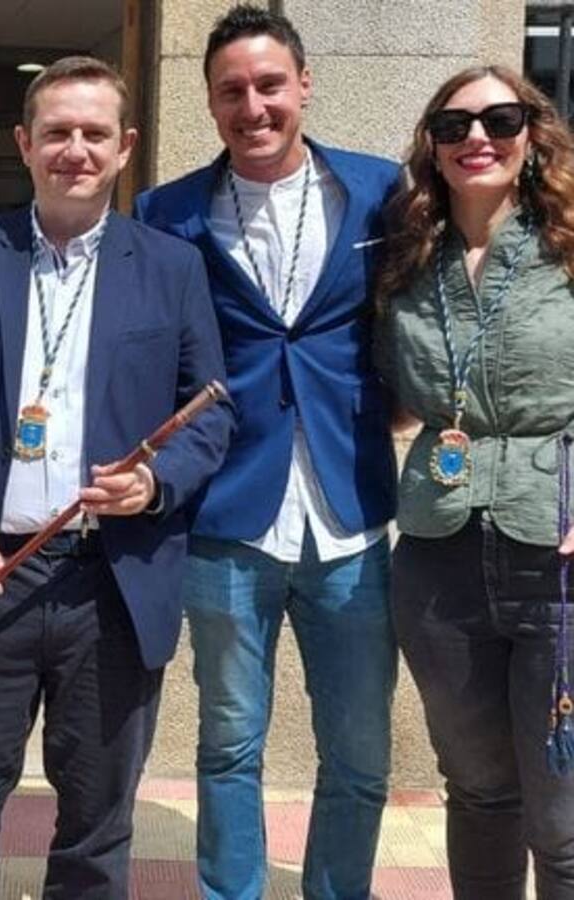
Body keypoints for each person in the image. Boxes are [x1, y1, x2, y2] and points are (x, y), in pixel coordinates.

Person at [0, 56, 232, 898]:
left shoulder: (172, 267)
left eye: (94, 133)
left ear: (125, 147)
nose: (75, 150)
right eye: (57, 132)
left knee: (97, 832)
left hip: (111, 585)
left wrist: (155, 483)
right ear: (24, 143)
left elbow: (211, 411)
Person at [134, 7, 400, 898]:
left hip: (349, 511)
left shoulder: (381, 192)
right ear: (211, 103)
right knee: (228, 744)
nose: (253, 107)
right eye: (232, 91)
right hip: (227, 514)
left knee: (360, 753)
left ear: (304, 85)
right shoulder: (165, 213)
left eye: (269, 85)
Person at [377, 65, 574, 898]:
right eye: (454, 126)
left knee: (562, 816)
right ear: (433, 146)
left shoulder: (568, 244)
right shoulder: (407, 259)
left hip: (555, 552)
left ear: (533, 134)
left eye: (500, 119)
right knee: (479, 790)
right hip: (439, 557)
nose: (478, 139)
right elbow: (383, 391)